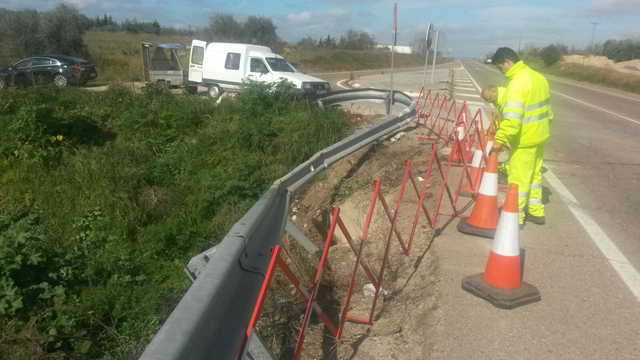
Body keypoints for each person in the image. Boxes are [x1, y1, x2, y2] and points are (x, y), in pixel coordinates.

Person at [488, 47, 553, 227]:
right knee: (534, 177)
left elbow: (512, 120)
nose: (501, 73)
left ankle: (514, 218)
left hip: (525, 140)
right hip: (540, 137)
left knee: (517, 181)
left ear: (508, 62)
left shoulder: (516, 84)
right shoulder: (539, 78)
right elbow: (549, 111)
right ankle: (536, 213)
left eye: (500, 68)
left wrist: (499, 140)